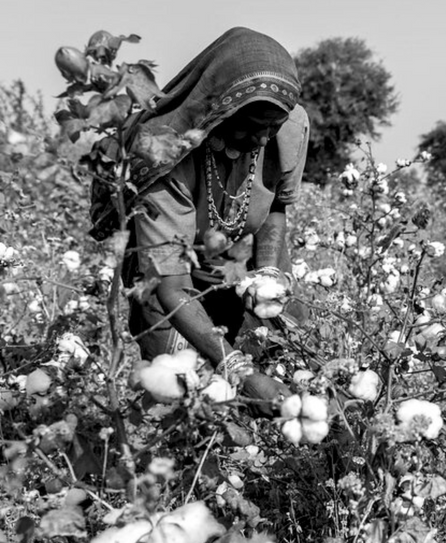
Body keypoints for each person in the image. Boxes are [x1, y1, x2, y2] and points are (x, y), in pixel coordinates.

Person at [94, 27, 309, 405]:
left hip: (236, 261)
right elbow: (172, 286)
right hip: (169, 275)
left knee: (288, 355)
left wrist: (267, 279)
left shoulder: (288, 129)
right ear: (220, 108)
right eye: (251, 126)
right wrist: (239, 371)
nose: (262, 139)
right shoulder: (163, 156)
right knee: (182, 388)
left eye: (271, 127)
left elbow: (275, 208)